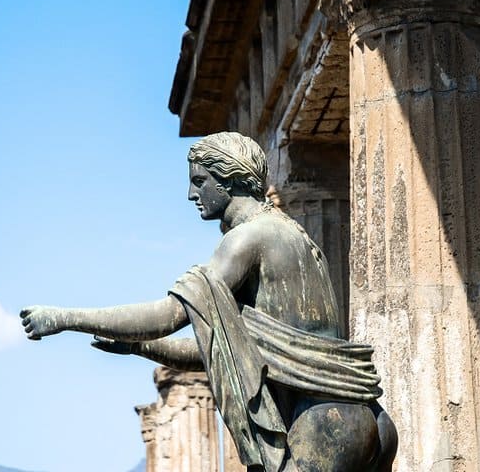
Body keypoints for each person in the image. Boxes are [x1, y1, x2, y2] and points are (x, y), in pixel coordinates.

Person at [20, 132, 396, 472]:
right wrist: (139, 346)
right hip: (366, 419)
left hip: (322, 421)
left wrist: (64, 318)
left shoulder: (247, 239)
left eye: (200, 181)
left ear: (230, 178)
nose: (191, 194)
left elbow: (168, 315)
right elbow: (225, 351)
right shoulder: (297, 236)